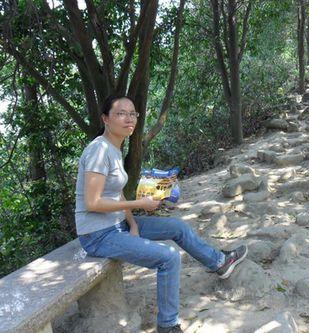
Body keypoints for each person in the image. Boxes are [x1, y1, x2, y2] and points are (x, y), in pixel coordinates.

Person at [75, 95, 247, 333]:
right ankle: (168, 325)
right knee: (169, 257)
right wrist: (141, 203)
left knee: (177, 227)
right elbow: (92, 202)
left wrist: (133, 224)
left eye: (133, 113)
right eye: (121, 113)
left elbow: (118, 195)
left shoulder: (114, 149)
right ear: (105, 119)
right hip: (97, 235)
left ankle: (219, 263)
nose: (129, 119)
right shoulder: (98, 150)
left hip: (118, 226)